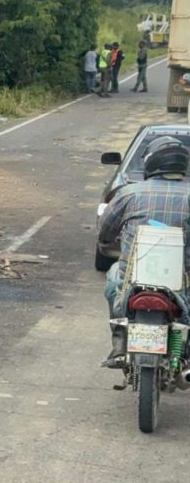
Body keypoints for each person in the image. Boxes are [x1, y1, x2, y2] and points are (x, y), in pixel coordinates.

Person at [98, 137, 190, 368]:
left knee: (112, 281)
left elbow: (106, 230)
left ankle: (119, 343)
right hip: (181, 278)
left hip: (134, 277)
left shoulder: (130, 193)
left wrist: (108, 239)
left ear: (152, 163)